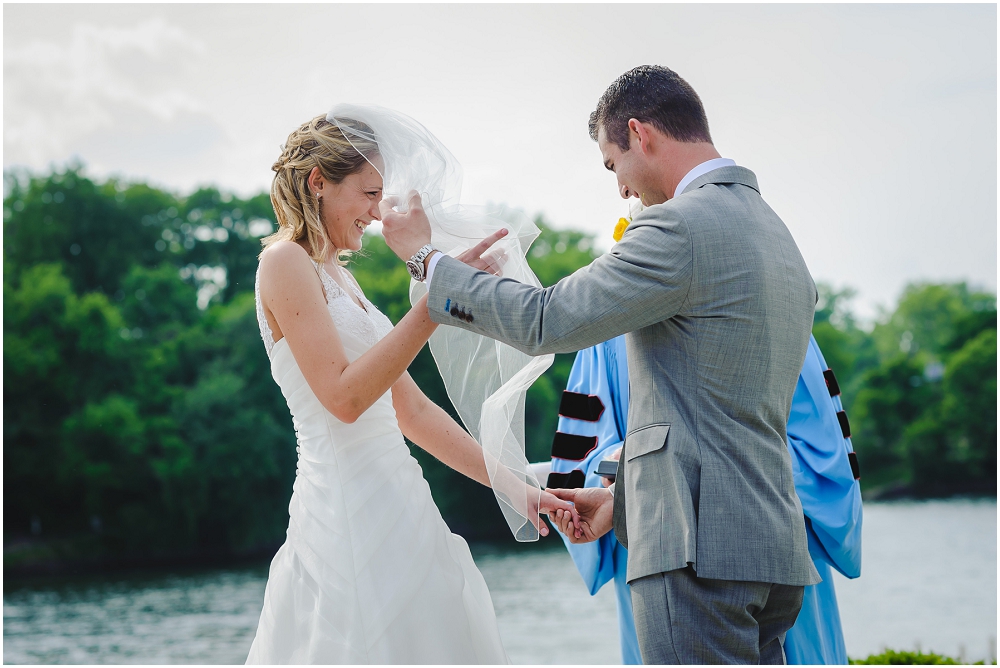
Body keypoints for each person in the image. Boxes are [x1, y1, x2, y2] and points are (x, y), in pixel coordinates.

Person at [381, 64, 822, 664]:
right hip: (771, 546)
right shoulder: (776, 233)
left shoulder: (679, 227)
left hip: (695, 553)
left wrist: (425, 259)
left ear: (640, 134)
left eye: (613, 165)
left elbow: (547, 321)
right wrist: (624, 501)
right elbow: (719, 413)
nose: (620, 190)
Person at [246, 114, 575, 664]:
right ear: (317, 182)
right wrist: (432, 305)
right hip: (344, 513)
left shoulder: (342, 279)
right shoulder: (285, 263)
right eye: (369, 193)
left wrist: (519, 489)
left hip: (403, 503)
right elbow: (345, 400)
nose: (377, 212)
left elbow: (415, 413)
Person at [537, 334, 863, 664]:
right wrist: (617, 469)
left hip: (769, 527)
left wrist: (656, 456)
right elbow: (584, 454)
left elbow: (822, 451)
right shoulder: (610, 329)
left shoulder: (770, 300)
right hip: (656, 531)